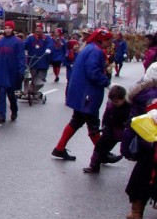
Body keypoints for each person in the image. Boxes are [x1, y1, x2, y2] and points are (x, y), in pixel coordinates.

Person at [52, 27, 114, 161]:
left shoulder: (90, 48)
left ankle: (60, 148)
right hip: (88, 93)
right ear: (102, 40)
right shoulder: (95, 51)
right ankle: (102, 154)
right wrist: (107, 83)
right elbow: (93, 72)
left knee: (76, 121)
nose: (110, 42)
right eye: (109, 40)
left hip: (82, 92)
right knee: (92, 124)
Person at [124, 64, 157, 219]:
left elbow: (131, 126)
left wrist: (127, 149)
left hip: (148, 146)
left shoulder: (142, 94)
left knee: (141, 179)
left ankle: (137, 212)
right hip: (151, 145)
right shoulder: (148, 97)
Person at [83, 84, 131, 174]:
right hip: (111, 130)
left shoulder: (130, 107)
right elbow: (105, 118)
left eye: (117, 101)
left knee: (131, 149)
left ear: (124, 98)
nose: (115, 103)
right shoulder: (110, 106)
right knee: (99, 147)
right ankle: (94, 166)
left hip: (125, 131)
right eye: (113, 101)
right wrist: (105, 128)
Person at [0, 20, 25, 124]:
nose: (7, 30)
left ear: (12, 29)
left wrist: (21, 69)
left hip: (12, 71)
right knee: (1, 93)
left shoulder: (18, 42)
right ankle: (2, 115)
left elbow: (21, 57)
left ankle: (14, 110)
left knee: (11, 94)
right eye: (6, 28)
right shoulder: (0, 42)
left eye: (9, 28)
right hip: (1, 70)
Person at [23, 23, 53, 99]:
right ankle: (27, 90)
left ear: (42, 30)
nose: (38, 30)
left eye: (40, 28)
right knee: (29, 76)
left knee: (40, 80)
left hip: (43, 62)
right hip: (32, 62)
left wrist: (48, 49)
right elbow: (24, 45)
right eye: (36, 28)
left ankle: (33, 90)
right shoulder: (30, 38)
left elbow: (50, 44)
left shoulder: (47, 38)